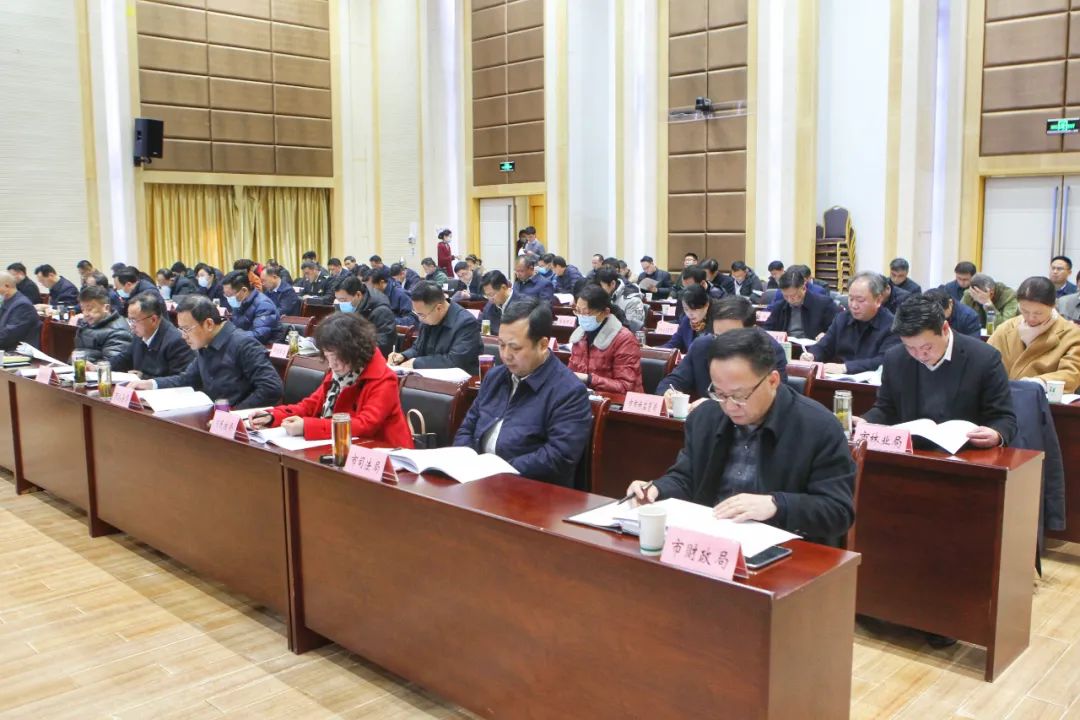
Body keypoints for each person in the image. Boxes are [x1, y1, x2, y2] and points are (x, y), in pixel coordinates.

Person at [627, 328, 855, 547]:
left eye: (739, 396)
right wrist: (657, 489)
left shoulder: (818, 427)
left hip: (786, 550)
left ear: (772, 381)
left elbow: (838, 511)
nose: (729, 406)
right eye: (719, 394)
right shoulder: (706, 417)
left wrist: (777, 505)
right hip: (713, 540)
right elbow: (686, 478)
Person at [454, 297, 593, 486]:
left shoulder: (569, 391)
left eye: (515, 348)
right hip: (478, 481)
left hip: (531, 490)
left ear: (542, 345)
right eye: (501, 345)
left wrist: (498, 470)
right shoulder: (494, 377)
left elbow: (558, 457)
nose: (506, 355)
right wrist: (468, 462)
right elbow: (467, 428)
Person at [857, 294, 1017, 448]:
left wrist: (996, 434)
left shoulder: (984, 358)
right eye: (910, 347)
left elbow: (1004, 418)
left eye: (927, 347)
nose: (920, 355)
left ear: (945, 329)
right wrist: (865, 421)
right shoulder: (895, 358)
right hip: (911, 452)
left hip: (966, 454)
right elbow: (886, 409)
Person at [250, 313, 413, 445]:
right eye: (328, 356)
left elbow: (365, 425)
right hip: (342, 445)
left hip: (384, 453)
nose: (332, 364)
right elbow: (310, 405)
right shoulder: (337, 372)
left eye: (338, 357)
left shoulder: (383, 379)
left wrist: (307, 426)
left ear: (355, 352)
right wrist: (273, 416)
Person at [132, 295, 283, 409]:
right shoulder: (205, 343)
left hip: (240, 423)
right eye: (181, 329)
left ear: (209, 324)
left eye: (186, 329)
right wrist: (151, 384)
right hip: (214, 416)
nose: (183, 336)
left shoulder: (244, 344)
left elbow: (271, 388)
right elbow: (187, 379)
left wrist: (234, 414)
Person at [657, 296, 788, 405]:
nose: (724, 343)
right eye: (718, 336)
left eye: (732, 336)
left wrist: (711, 407)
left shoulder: (771, 351)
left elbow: (775, 401)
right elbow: (672, 382)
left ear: (752, 330)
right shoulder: (702, 346)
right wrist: (668, 393)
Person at [987, 276, 1080, 392]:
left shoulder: (1071, 334)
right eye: (1025, 311)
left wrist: (1038, 383)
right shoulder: (1006, 328)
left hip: (1044, 400)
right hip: (1002, 397)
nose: (1031, 318)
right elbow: (985, 362)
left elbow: (1071, 374)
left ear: (1053, 306)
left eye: (1038, 313)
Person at [801, 272, 899, 374]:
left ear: (878, 300)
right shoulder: (842, 318)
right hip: (836, 379)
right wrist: (812, 355)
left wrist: (846, 367)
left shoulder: (892, 326)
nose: (854, 305)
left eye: (860, 300)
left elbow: (884, 360)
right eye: (851, 299)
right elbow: (824, 345)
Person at [388, 281, 482, 374]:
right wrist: (403, 356)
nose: (420, 319)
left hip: (461, 380)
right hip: (429, 377)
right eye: (417, 314)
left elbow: (455, 361)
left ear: (439, 308)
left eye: (421, 315)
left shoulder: (466, 323)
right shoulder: (428, 317)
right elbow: (418, 348)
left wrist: (416, 363)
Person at [568, 283, 643, 394]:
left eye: (587, 313)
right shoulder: (580, 336)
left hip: (618, 401)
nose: (581, 317)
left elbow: (625, 386)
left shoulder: (624, 339)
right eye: (578, 311)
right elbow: (571, 374)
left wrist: (589, 379)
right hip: (587, 398)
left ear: (606, 312)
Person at [112, 291, 195, 379]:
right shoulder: (140, 334)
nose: (131, 326)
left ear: (153, 320)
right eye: (129, 320)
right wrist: (103, 367)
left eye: (134, 320)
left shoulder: (176, 341)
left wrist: (144, 378)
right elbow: (123, 359)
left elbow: (180, 380)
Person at [764, 269, 838, 339]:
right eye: (786, 296)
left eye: (793, 296)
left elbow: (837, 330)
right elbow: (767, 330)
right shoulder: (780, 306)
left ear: (804, 288)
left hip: (814, 346)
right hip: (787, 345)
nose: (789, 300)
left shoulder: (824, 304)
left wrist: (826, 335)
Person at [334, 275, 396, 358]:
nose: (340, 303)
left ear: (358, 295)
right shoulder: (344, 305)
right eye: (338, 299)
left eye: (343, 300)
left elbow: (382, 345)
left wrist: (349, 347)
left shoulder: (381, 311)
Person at [222, 270, 286, 344]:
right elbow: (235, 326)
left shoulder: (264, 305)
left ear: (244, 290)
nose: (228, 299)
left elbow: (259, 336)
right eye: (226, 295)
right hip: (244, 344)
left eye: (230, 295)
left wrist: (232, 335)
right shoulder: (239, 302)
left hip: (265, 347)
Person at [73, 285, 132, 364]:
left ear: (106, 308)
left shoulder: (119, 332)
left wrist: (81, 362)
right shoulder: (86, 323)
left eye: (89, 309)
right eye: (83, 309)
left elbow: (110, 366)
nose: (85, 314)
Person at [662, 283, 712, 353]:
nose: (689, 314)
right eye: (686, 309)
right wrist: (653, 350)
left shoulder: (716, 323)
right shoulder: (686, 320)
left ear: (706, 305)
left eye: (694, 309)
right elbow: (673, 343)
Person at [0, 271, 42, 350]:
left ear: (7, 286)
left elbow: (8, 336)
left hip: (17, 351)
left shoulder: (22, 305)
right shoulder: (7, 301)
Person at [596, 266, 646, 332]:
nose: (597, 289)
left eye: (601, 286)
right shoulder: (601, 296)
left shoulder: (632, 301)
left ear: (612, 284)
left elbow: (632, 330)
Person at [480, 270, 514, 335]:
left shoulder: (523, 304)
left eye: (492, 295)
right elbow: (480, 326)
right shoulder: (489, 306)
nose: (490, 299)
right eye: (487, 295)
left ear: (504, 287)